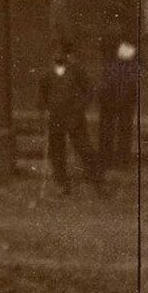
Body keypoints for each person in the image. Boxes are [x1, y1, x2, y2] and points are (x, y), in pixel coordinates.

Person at [37, 40, 104, 195]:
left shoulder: (76, 71)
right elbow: (41, 94)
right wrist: (43, 109)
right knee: (56, 152)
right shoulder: (47, 73)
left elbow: (88, 90)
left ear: (66, 54)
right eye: (54, 51)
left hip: (74, 118)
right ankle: (62, 184)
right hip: (55, 118)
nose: (57, 55)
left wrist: (79, 108)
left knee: (84, 148)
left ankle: (97, 182)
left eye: (60, 51)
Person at [96, 37, 139, 170]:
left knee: (122, 131)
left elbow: (132, 85)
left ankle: (120, 161)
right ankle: (108, 160)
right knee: (109, 131)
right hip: (111, 101)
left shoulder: (129, 67)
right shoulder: (111, 66)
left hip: (122, 101)